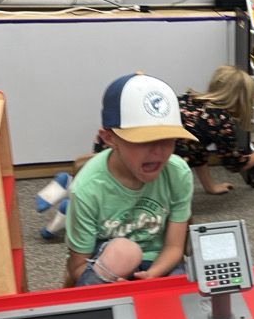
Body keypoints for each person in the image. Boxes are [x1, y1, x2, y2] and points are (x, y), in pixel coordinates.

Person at [64, 72, 197, 287]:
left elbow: (174, 248)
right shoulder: (86, 189)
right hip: (106, 267)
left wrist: (152, 275)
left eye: (168, 139)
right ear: (109, 138)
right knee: (123, 252)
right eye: (143, 141)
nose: (158, 151)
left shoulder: (178, 173)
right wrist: (112, 286)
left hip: (160, 264)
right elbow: (77, 267)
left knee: (189, 292)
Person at [174, 65, 254, 194]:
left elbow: (196, 151)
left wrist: (210, 187)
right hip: (164, 161)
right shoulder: (221, 122)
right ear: (242, 101)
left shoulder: (190, 99)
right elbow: (235, 164)